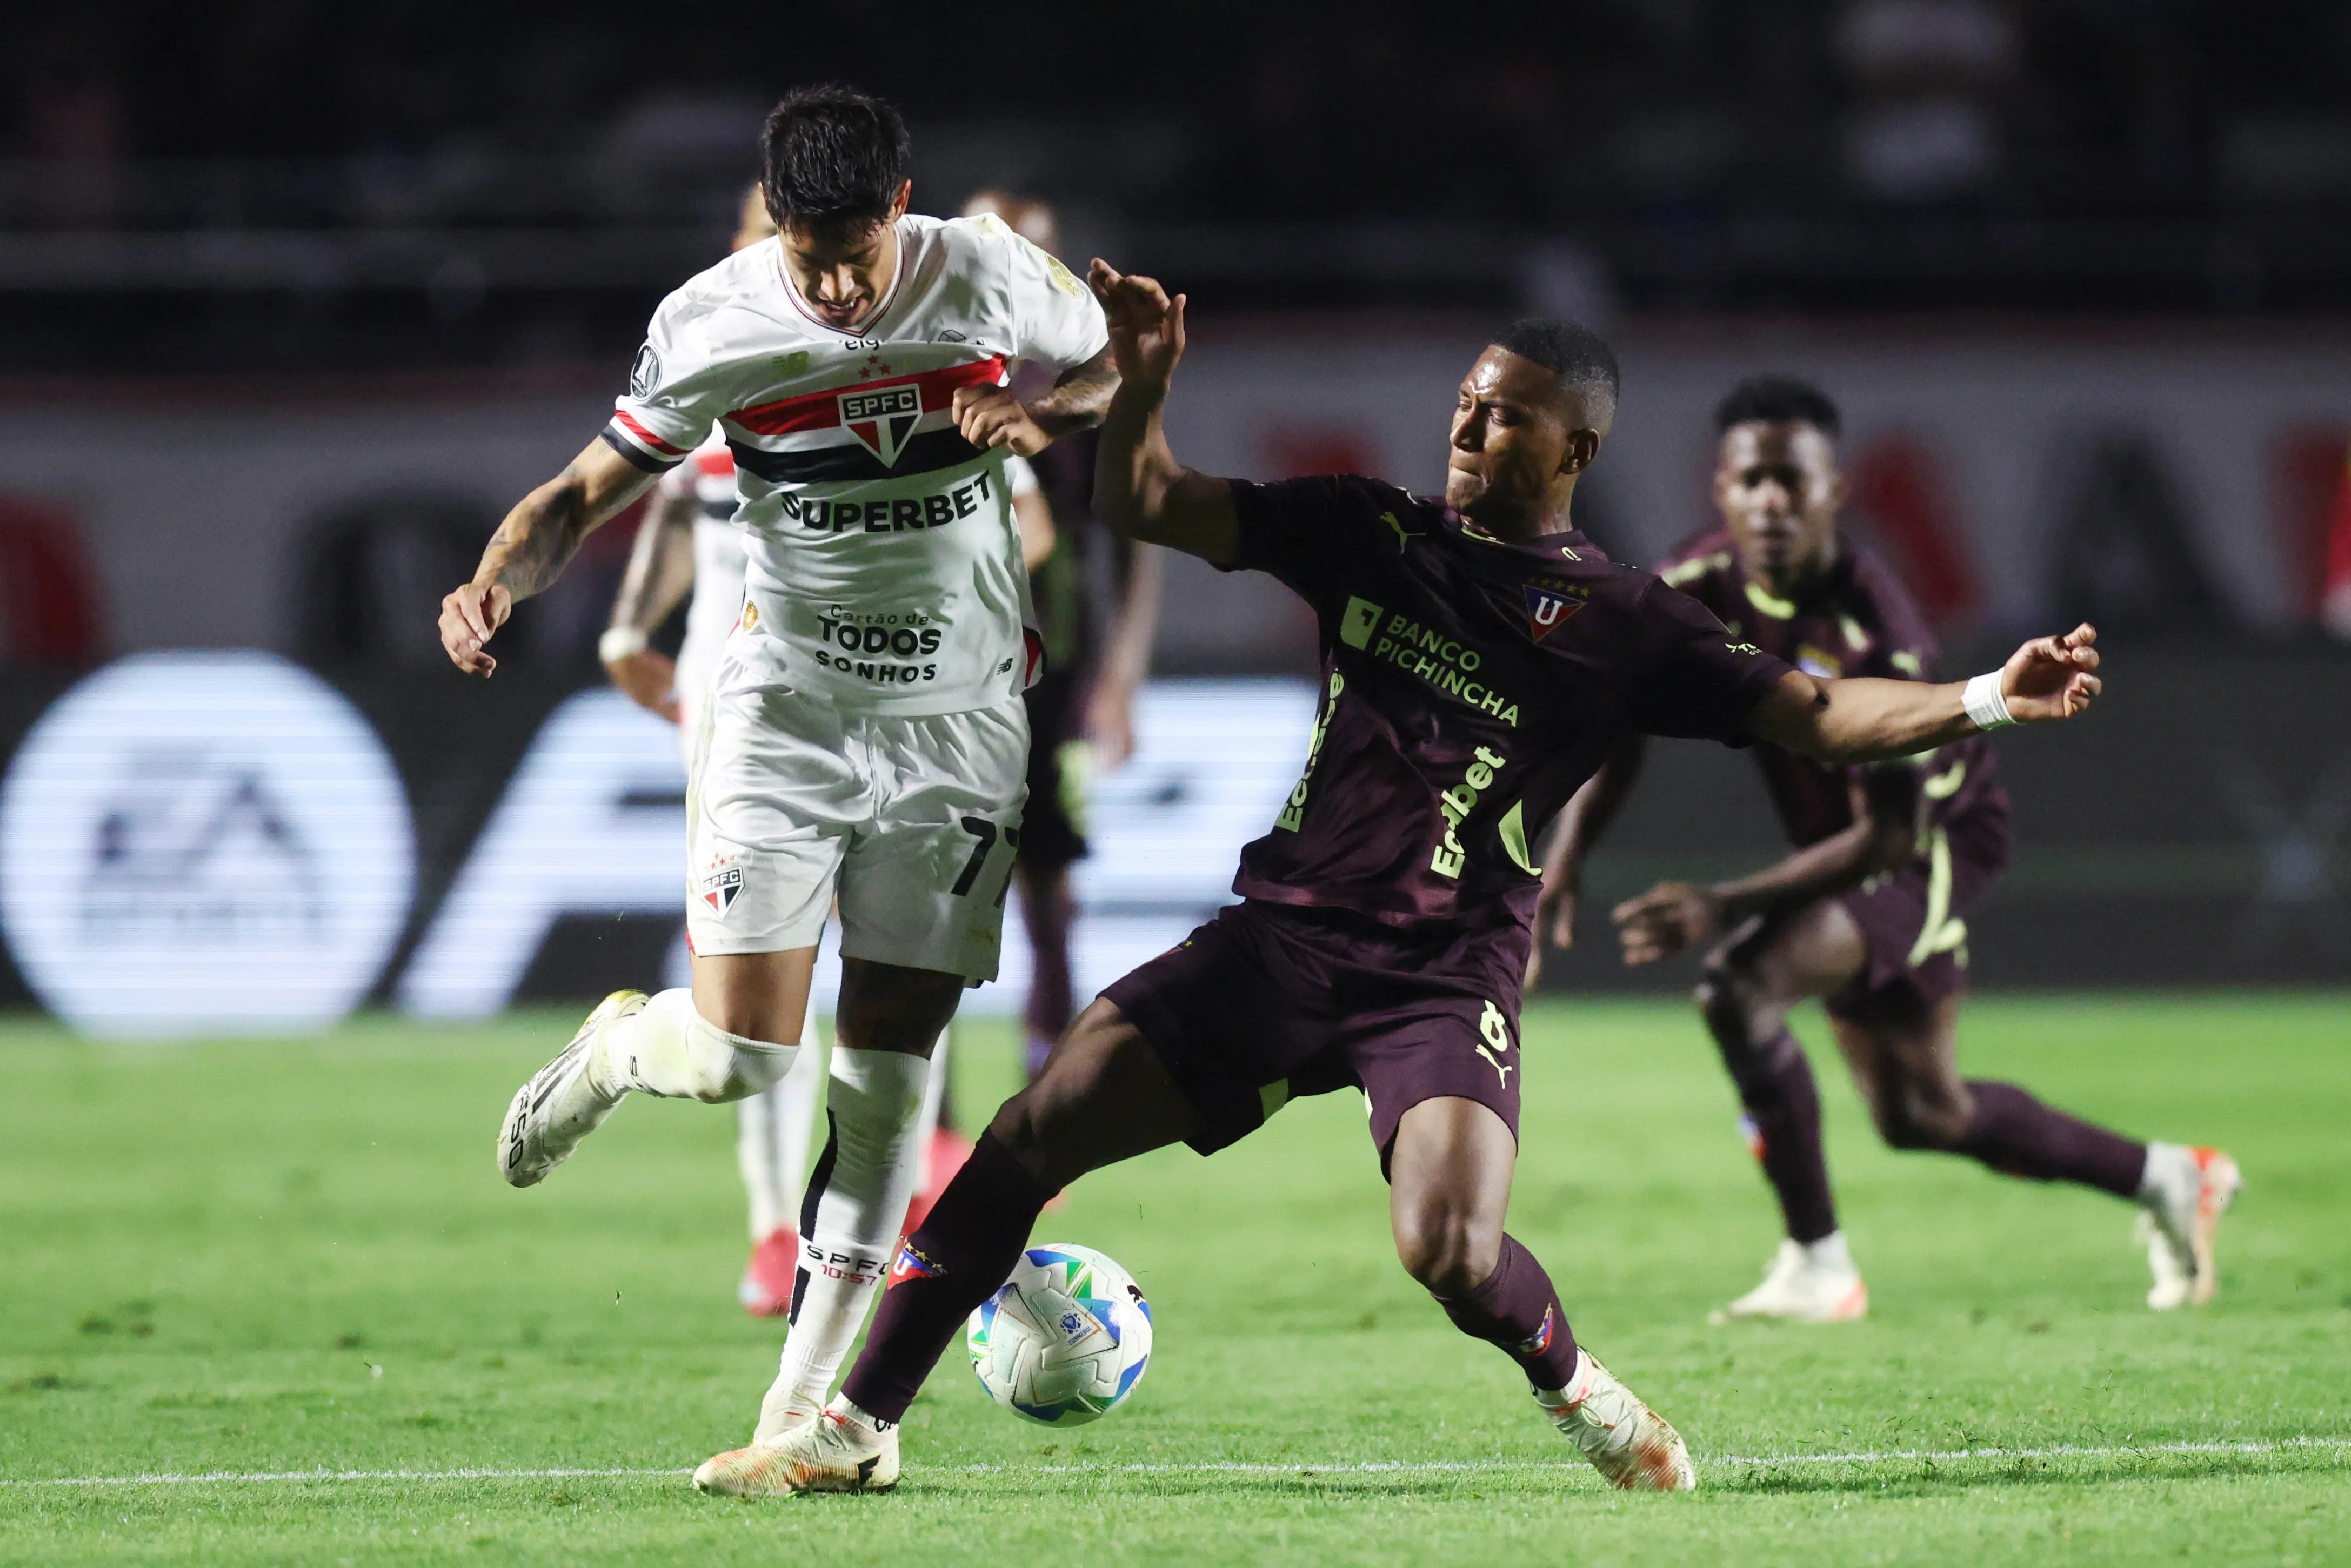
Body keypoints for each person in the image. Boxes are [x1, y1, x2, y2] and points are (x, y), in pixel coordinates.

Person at [688, 269, 2105, 1497]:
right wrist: (1144, 386)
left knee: (1445, 1249)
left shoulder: (1622, 622)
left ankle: (1582, 1389)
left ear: (1577, 445)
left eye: (1502, 416)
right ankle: (853, 1424)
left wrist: (1980, 693)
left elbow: (1814, 710)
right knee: (1020, 1137)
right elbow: (1148, 500)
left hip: (1440, 974)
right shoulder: (1370, 529)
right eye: (1464, 403)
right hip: (1278, 942)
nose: (1467, 426)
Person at [436, 84, 1115, 1437]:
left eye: (856, 256)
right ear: (777, 227)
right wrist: (494, 578)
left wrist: (1052, 417)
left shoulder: (985, 273)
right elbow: (585, 490)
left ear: (902, 210)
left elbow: (1118, 362)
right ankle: (622, 1052)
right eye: (810, 258)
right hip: (785, 715)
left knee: (884, 1088)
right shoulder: (714, 320)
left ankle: (804, 1422)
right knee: (747, 1053)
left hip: (963, 730)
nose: (839, 287)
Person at [1526, 375, 2238, 1323]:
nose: (1770, 501)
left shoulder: (1874, 626)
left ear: (1835, 490)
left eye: (1792, 479)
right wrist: (1563, 861)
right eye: (1749, 480)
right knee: (1921, 1114)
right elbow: (1624, 724)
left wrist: (1723, 904)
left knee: (1737, 988)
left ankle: (1818, 1266)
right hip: (1844, 842)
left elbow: (1888, 837)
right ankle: (2166, 1177)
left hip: (1929, 843)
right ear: (1721, 490)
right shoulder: (1690, 585)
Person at [597, 186, 1061, 1316]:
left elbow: (1033, 511)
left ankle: (889, 1193)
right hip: (752, 707)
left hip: (903, 697)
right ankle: (769, 1223)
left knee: (902, 964)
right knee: (773, 1001)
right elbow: (664, 514)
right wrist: (624, 631)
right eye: (775, 240)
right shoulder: (721, 367)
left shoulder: (915, 365)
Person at [961, 191, 1164, 1080]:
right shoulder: (935, 363)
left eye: (1027, 250)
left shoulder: (1090, 380)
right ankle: (926, 1114)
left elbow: (1137, 540)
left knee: (1049, 879)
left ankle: (1044, 1081)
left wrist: (1122, 674)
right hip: (940, 669)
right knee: (926, 885)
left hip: (1058, 669)